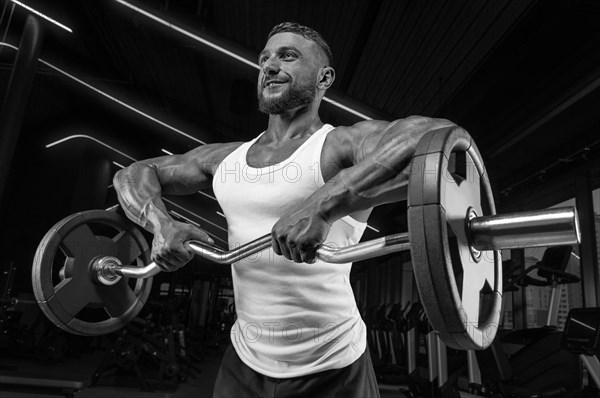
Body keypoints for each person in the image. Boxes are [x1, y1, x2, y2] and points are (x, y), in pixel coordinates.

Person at [114, 22, 454, 398]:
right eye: (264, 58)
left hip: (334, 364)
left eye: (287, 56)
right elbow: (133, 174)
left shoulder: (339, 146)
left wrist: (322, 205)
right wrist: (161, 223)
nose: (269, 66)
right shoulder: (226, 158)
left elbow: (434, 137)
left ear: (324, 78)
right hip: (245, 360)